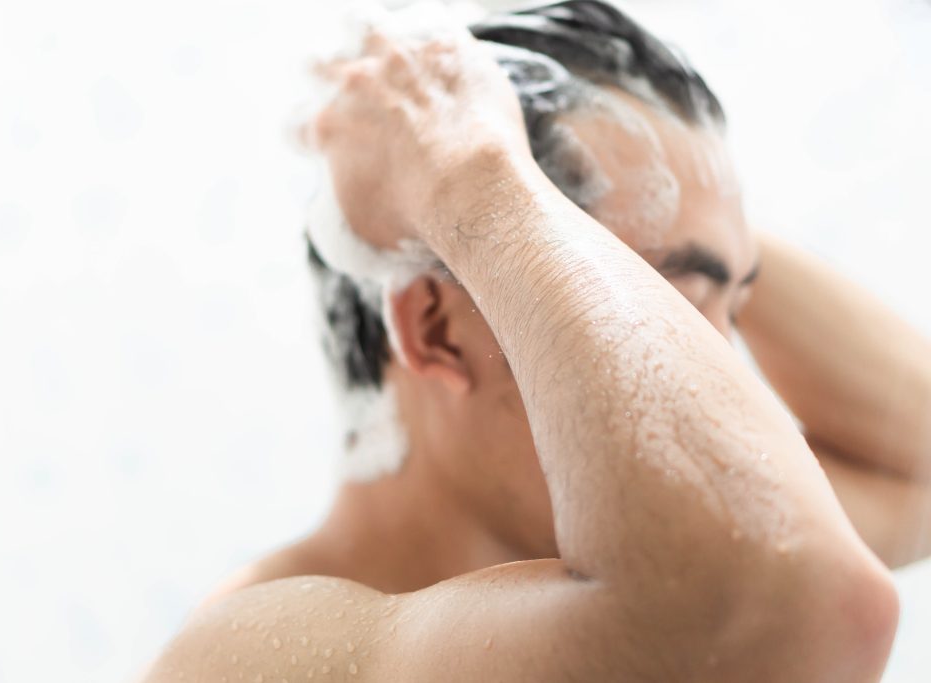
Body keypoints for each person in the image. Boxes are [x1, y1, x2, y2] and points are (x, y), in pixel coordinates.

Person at [145, 2, 925, 680]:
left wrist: (679, 199)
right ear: (435, 327)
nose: (723, 379)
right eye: (667, 308)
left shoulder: (652, 571)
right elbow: (798, 607)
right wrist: (466, 173)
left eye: (728, 313)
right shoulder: (248, 656)